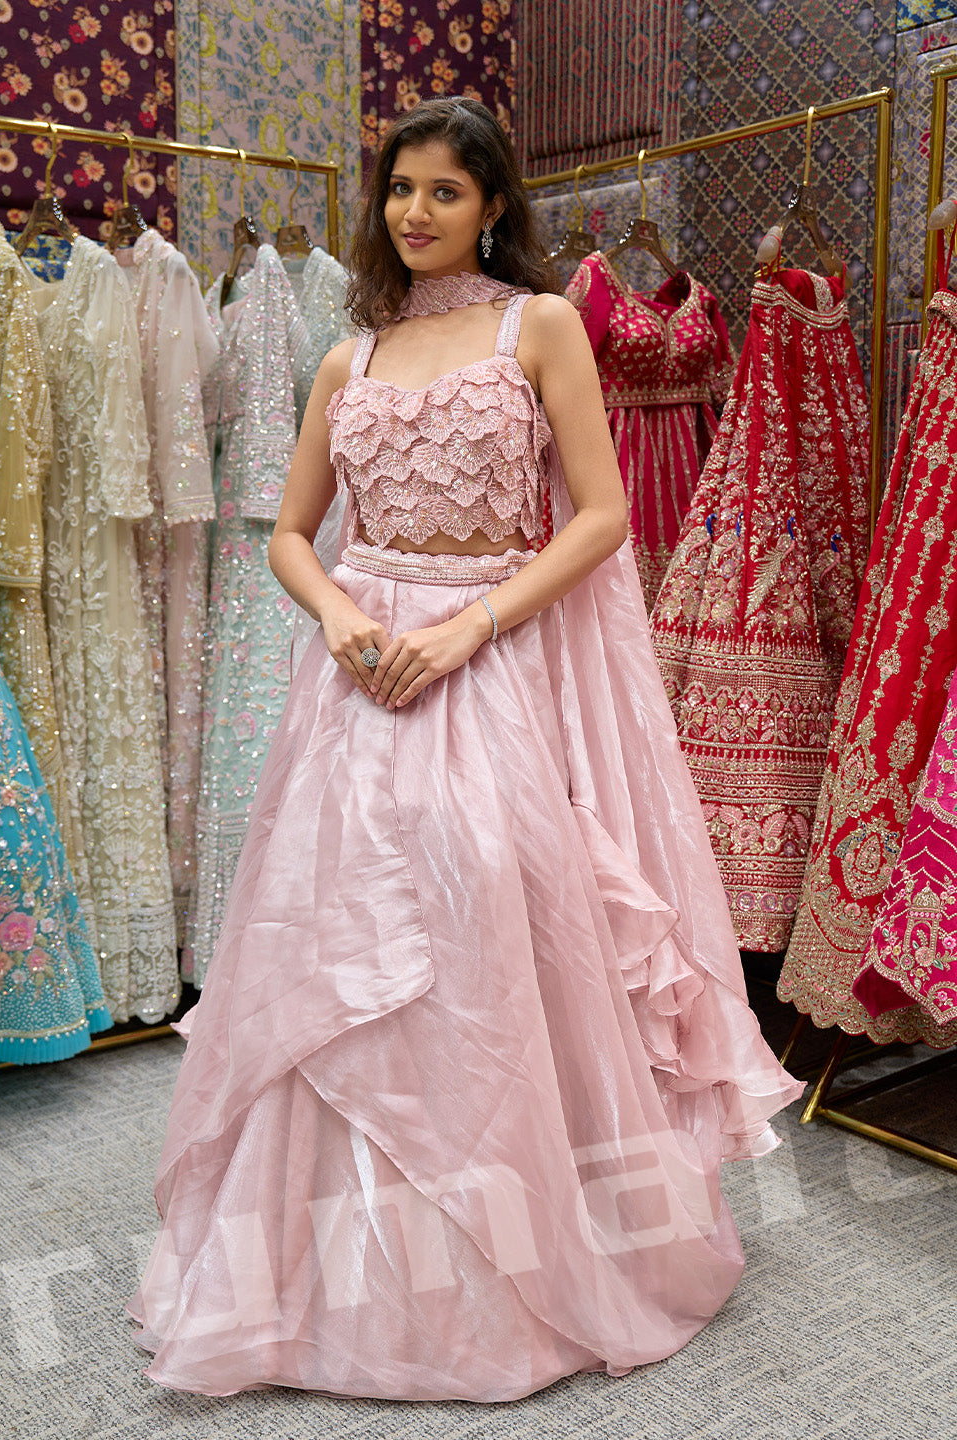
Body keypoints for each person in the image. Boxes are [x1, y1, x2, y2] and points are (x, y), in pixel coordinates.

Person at [128, 97, 802, 1403]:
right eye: (400, 191)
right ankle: (328, 1277)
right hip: (358, 679)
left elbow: (600, 517)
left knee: (492, 913)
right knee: (333, 937)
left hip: (490, 661)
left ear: (494, 204)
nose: (417, 213)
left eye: (446, 191)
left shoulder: (535, 326)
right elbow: (288, 532)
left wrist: (470, 629)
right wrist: (339, 616)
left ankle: (520, 1248)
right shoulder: (348, 357)